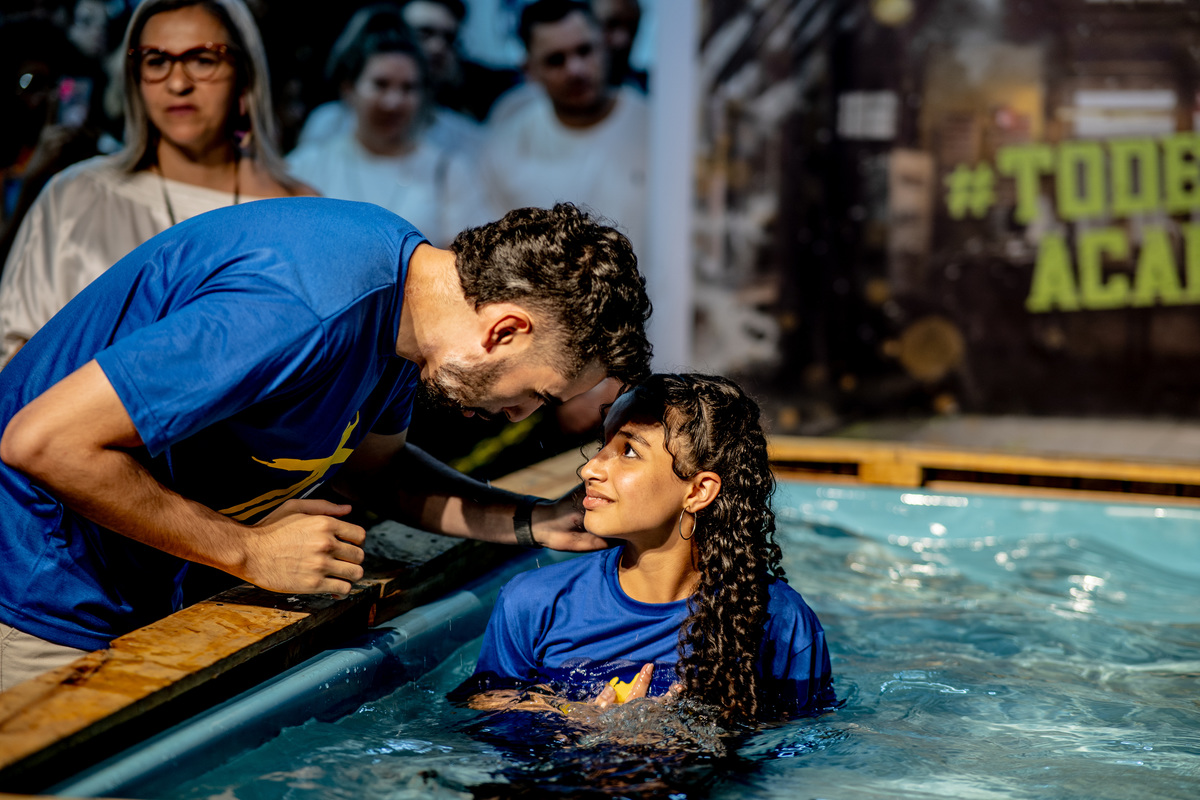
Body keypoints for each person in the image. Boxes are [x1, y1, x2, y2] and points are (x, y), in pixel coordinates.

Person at [0, 199, 652, 691]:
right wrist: (248, 549)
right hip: (34, 587)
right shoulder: (299, 308)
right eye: (540, 394)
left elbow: (378, 469)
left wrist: (532, 521)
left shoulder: (406, 310)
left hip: (135, 583)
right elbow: (43, 442)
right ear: (506, 331)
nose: (519, 416)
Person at [460, 374, 835, 725]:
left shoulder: (778, 619)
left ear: (698, 491)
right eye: (602, 444)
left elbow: (798, 746)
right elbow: (482, 711)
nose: (591, 468)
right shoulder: (535, 601)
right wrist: (568, 718)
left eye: (629, 452)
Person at [0, 0, 310, 365]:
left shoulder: (297, 213)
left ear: (243, 74)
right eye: (157, 61)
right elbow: (16, 359)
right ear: (135, 77)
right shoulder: (74, 198)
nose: (178, 83)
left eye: (203, 59)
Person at [287, 8, 486, 245]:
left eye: (408, 88)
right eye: (381, 85)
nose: (393, 102)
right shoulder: (308, 165)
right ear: (349, 88)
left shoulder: (448, 172)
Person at [477, 0, 647, 256]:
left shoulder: (655, 129)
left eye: (585, 50)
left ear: (604, 45)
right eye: (556, 60)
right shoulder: (504, 148)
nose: (575, 70)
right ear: (530, 70)